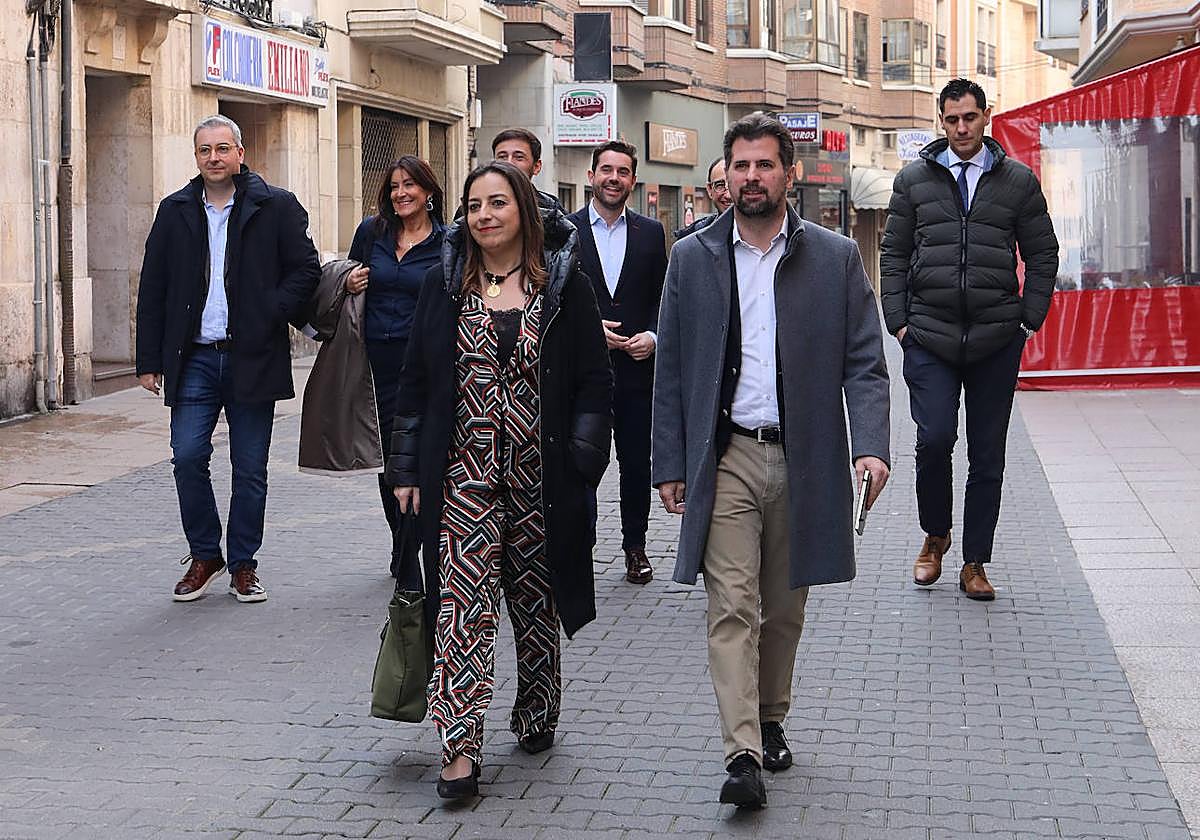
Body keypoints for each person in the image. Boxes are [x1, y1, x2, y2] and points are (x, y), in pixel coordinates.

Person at [651, 113, 891, 808]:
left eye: (764, 165)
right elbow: (671, 370)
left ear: (788, 173)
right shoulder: (692, 257)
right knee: (734, 605)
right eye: (741, 166)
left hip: (805, 458)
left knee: (784, 609)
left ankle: (773, 715)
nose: (750, 177)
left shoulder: (835, 257)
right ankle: (742, 753)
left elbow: (867, 364)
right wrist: (669, 460)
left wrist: (870, 446)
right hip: (725, 457)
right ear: (725, 177)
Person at [386, 161, 612, 800]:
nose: (484, 215)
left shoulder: (565, 288)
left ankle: (537, 707)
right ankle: (458, 749)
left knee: (535, 606)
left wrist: (582, 459)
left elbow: (595, 383)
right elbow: (415, 381)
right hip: (463, 479)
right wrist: (406, 466)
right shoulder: (442, 286)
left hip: (543, 479)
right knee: (461, 608)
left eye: (497, 203)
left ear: (525, 214)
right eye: (473, 205)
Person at [880, 78, 1059, 601]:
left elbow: (1043, 253)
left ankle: (975, 561)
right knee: (933, 439)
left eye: (970, 118)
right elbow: (892, 253)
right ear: (942, 121)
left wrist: (1029, 319)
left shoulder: (1017, 181)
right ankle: (935, 537)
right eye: (952, 119)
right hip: (929, 337)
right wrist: (900, 322)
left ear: (987, 118)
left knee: (989, 454)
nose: (962, 127)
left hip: (996, 338)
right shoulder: (913, 180)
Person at [136, 114, 319, 603]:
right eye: (204, 151)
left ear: (240, 153)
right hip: (193, 357)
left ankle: (243, 563)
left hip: (252, 355)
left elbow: (305, 269)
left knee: (250, 467)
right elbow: (153, 286)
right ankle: (205, 554)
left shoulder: (274, 206)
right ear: (196, 157)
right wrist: (148, 360)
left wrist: (269, 312)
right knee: (188, 456)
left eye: (222, 149)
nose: (213, 158)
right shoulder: (175, 209)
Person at [567, 141, 668, 584]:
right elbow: (553, 300)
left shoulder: (651, 232)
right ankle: (579, 546)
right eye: (605, 169)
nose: (613, 178)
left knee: (635, 462)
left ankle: (635, 546)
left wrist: (653, 335)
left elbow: (664, 297)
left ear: (632, 180)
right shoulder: (566, 232)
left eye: (623, 171)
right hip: (583, 374)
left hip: (635, 370)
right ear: (592, 176)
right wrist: (586, 334)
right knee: (582, 459)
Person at [344, 156, 446, 579]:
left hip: (426, 362)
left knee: (422, 455)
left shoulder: (448, 240)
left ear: (429, 193)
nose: (401, 193)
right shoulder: (372, 233)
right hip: (377, 366)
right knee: (389, 461)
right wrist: (348, 282)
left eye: (410, 185)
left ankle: (421, 541)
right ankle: (402, 540)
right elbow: (347, 276)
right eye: (394, 187)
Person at [491, 127, 565, 213]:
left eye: (519, 157)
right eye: (502, 157)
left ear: (536, 167)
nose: (509, 163)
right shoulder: (477, 201)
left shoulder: (551, 208)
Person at [673, 157, 733, 239]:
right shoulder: (693, 239)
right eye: (720, 185)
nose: (728, 195)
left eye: (733, 184)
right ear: (709, 189)